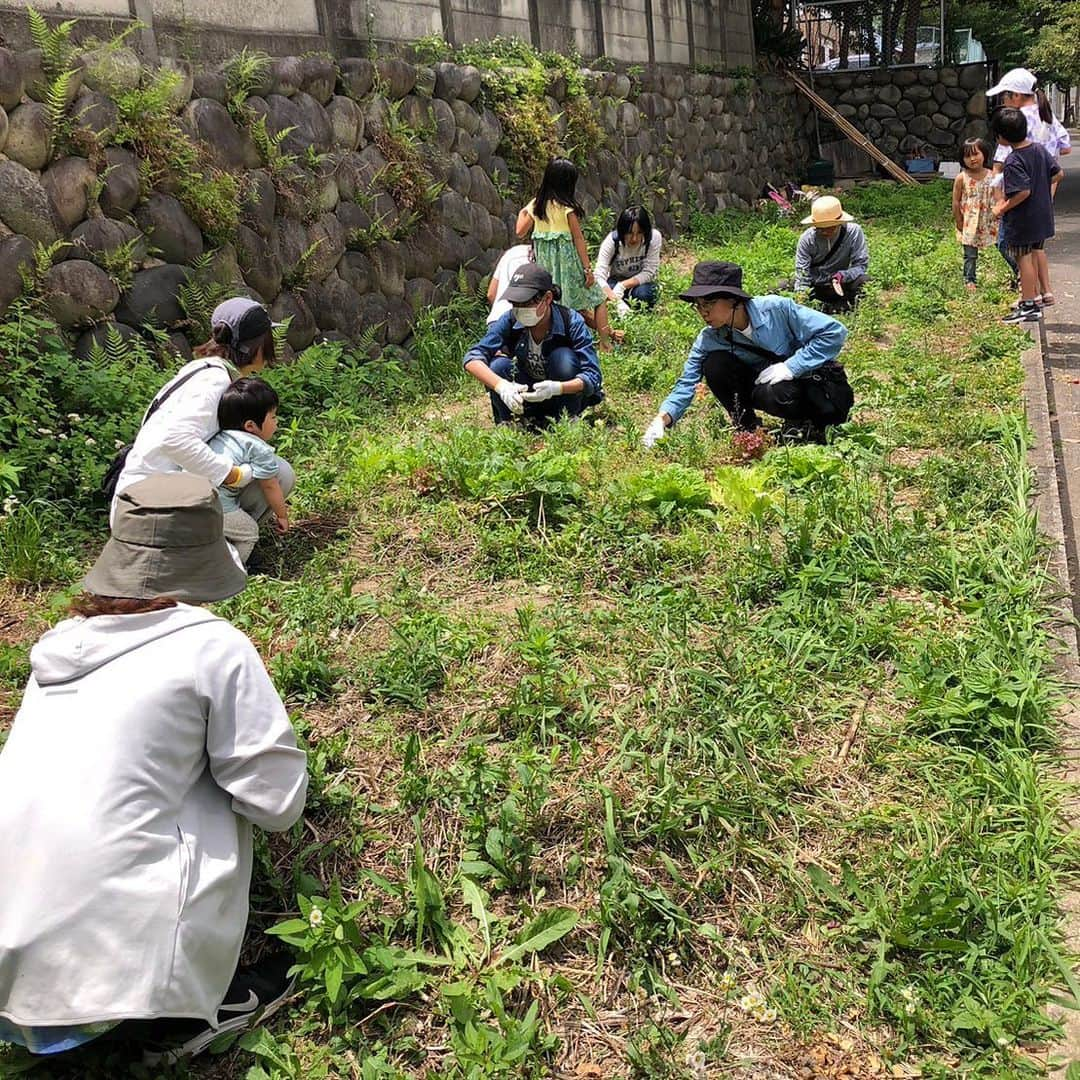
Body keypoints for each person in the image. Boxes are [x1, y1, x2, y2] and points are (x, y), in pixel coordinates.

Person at [0, 473, 308, 1064]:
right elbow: (277, 804)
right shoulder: (212, 646)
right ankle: (178, 1020)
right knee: (212, 785)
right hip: (111, 993)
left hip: (10, 982)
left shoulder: (58, 648)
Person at [114, 297, 295, 533]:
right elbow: (175, 439)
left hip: (139, 500)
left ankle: (218, 543)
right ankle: (224, 551)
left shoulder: (201, 369)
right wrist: (232, 475)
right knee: (279, 473)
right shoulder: (213, 382)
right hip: (149, 509)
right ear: (257, 346)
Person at [642, 261, 852, 447]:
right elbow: (686, 382)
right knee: (715, 364)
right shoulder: (711, 338)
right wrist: (661, 419)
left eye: (709, 304)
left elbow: (834, 332)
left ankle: (805, 424)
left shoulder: (776, 309)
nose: (703, 312)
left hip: (807, 385)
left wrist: (792, 366)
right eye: (698, 306)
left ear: (733, 300)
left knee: (776, 391)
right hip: (765, 387)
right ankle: (748, 429)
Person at [463, 263, 603, 428]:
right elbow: (472, 357)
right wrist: (501, 386)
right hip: (526, 396)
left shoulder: (571, 322)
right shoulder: (510, 320)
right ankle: (510, 421)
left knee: (563, 358)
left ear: (548, 298)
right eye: (515, 303)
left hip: (560, 397)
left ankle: (567, 418)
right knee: (498, 365)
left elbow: (593, 377)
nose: (520, 309)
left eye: (526, 303)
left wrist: (557, 388)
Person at [988, 69, 1071, 304]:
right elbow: (1065, 148)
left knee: (1014, 248)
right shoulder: (1047, 116)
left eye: (1005, 96)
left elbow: (1000, 165)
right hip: (1045, 195)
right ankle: (1045, 292)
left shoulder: (1016, 122)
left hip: (1019, 197)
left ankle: (1028, 296)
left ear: (1015, 95)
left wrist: (999, 205)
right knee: (1037, 246)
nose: (1003, 102)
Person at [515, 158, 615, 349]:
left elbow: (519, 231)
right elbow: (578, 239)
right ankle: (605, 342)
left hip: (545, 268)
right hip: (568, 267)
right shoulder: (567, 208)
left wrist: (524, 210)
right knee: (598, 299)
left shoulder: (536, 206)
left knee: (551, 305)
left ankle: (553, 344)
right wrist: (588, 270)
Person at [991, 106, 1062, 325]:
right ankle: (1033, 300)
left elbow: (1022, 191)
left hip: (1024, 220)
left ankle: (1029, 304)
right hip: (1042, 216)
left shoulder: (1013, 161)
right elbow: (1059, 173)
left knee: (1024, 259)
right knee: (1033, 254)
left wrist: (1001, 208)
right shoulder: (1039, 150)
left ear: (1001, 137)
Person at [208, 378, 289, 564]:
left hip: (188, 503)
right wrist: (282, 516)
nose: (276, 422)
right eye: (273, 417)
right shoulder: (257, 447)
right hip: (217, 508)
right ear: (250, 426)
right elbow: (270, 486)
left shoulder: (219, 436)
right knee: (249, 533)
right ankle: (230, 574)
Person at [792, 196, 869, 313]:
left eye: (830, 228)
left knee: (865, 281)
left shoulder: (854, 232)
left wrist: (843, 275)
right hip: (816, 286)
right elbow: (802, 273)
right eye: (820, 228)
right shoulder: (807, 239)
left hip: (840, 285)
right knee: (781, 287)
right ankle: (830, 308)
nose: (825, 232)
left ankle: (839, 307)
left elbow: (861, 265)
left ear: (839, 223)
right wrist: (801, 300)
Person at [594, 205, 663, 315]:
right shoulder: (612, 242)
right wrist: (615, 300)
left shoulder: (653, 238)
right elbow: (598, 276)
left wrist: (622, 286)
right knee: (601, 293)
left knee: (646, 294)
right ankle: (622, 304)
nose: (634, 239)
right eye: (630, 233)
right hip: (614, 281)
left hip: (639, 284)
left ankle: (627, 301)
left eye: (639, 233)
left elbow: (649, 271)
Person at [952, 137, 998, 292]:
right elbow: (956, 201)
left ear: (984, 154)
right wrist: (959, 220)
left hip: (991, 220)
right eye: (967, 156)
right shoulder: (961, 178)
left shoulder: (993, 176)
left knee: (1004, 246)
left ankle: (1019, 274)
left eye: (976, 154)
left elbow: (1000, 197)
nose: (972, 159)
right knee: (970, 254)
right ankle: (969, 279)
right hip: (969, 221)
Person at [486, 244, 533, 324]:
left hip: (497, 318)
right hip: (523, 321)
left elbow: (491, 294)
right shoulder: (543, 255)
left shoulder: (512, 252)